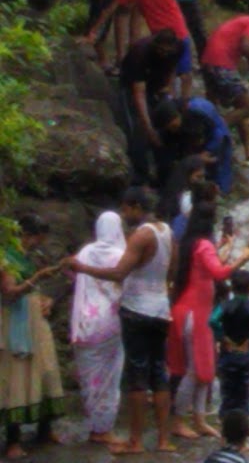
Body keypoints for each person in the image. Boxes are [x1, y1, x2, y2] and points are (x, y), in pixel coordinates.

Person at [63, 186, 175, 456]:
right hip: (161, 308)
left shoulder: (140, 236)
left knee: (137, 377)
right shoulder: (167, 232)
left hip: (137, 311)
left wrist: (81, 268)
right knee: (159, 374)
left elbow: (118, 274)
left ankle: (135, 442)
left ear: (136, 206)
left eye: (126, 209)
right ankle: (163, 439)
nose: (125, 215)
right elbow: (173, 270)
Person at [167, 206, 249, 440]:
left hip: (194, 312)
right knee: (194, 371)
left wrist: (227, 248)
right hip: (195, 314)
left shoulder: (192, 244)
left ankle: (199, 420)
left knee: (202, 371)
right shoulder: (203, 244)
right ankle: (178, 421)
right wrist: (244, 257)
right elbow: (219, 274)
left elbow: (211, 267)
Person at [83, 0, 194, 103]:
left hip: (180, 29)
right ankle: (170, 106)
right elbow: (113, 6)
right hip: (166, 37)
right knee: (174, 76)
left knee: (185, 76)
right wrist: (93, 32)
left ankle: (181, 107)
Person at [1, 214, 65, 458]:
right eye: (35, 238)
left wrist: (45, 299)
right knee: (15, 377)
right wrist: (37, 278)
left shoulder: (30, 257)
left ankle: (44, 428)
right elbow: (9, 293)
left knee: (46, 370)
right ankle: (13, 440)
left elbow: (33, 290)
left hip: (35, 321)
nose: (37, 243)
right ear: (24, 235)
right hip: (14, 323)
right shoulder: (6, 258)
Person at [70, 210, 126, 445]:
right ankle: (103, 429)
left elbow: (74, 278)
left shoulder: (84, 252)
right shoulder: (121, 255)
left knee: (89, 376)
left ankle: (94, 425)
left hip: (84, 324)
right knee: (109, 377)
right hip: (110, 325)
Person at [200, 0, 249, 164]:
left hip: (208, 62)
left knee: (237, 107)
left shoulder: (239, 20)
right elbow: (246, 46)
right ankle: (215, 133)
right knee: (248, 107)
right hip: (220, 64)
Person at [105, 30, 185, 185]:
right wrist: (148, 127)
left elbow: (173, 68)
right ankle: (140, 176)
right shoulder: (140, 52)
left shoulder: (179, 48)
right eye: (160, 50)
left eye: (167, 52)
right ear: (155, 45)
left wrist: (168, 90)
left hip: (156, 84)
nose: (163, 54)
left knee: (170, 122)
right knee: (138, 129)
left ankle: (165, 173)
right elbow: (138, 93)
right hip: (132, 86)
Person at [210, 270, 249, 422]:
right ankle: (243, 433)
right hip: (247, 356)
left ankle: (225, 432)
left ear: (232, 287)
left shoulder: (225, 305)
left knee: (227, 394)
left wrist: (223, 338)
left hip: (227, 355)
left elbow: (212, 321)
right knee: (244, 395)